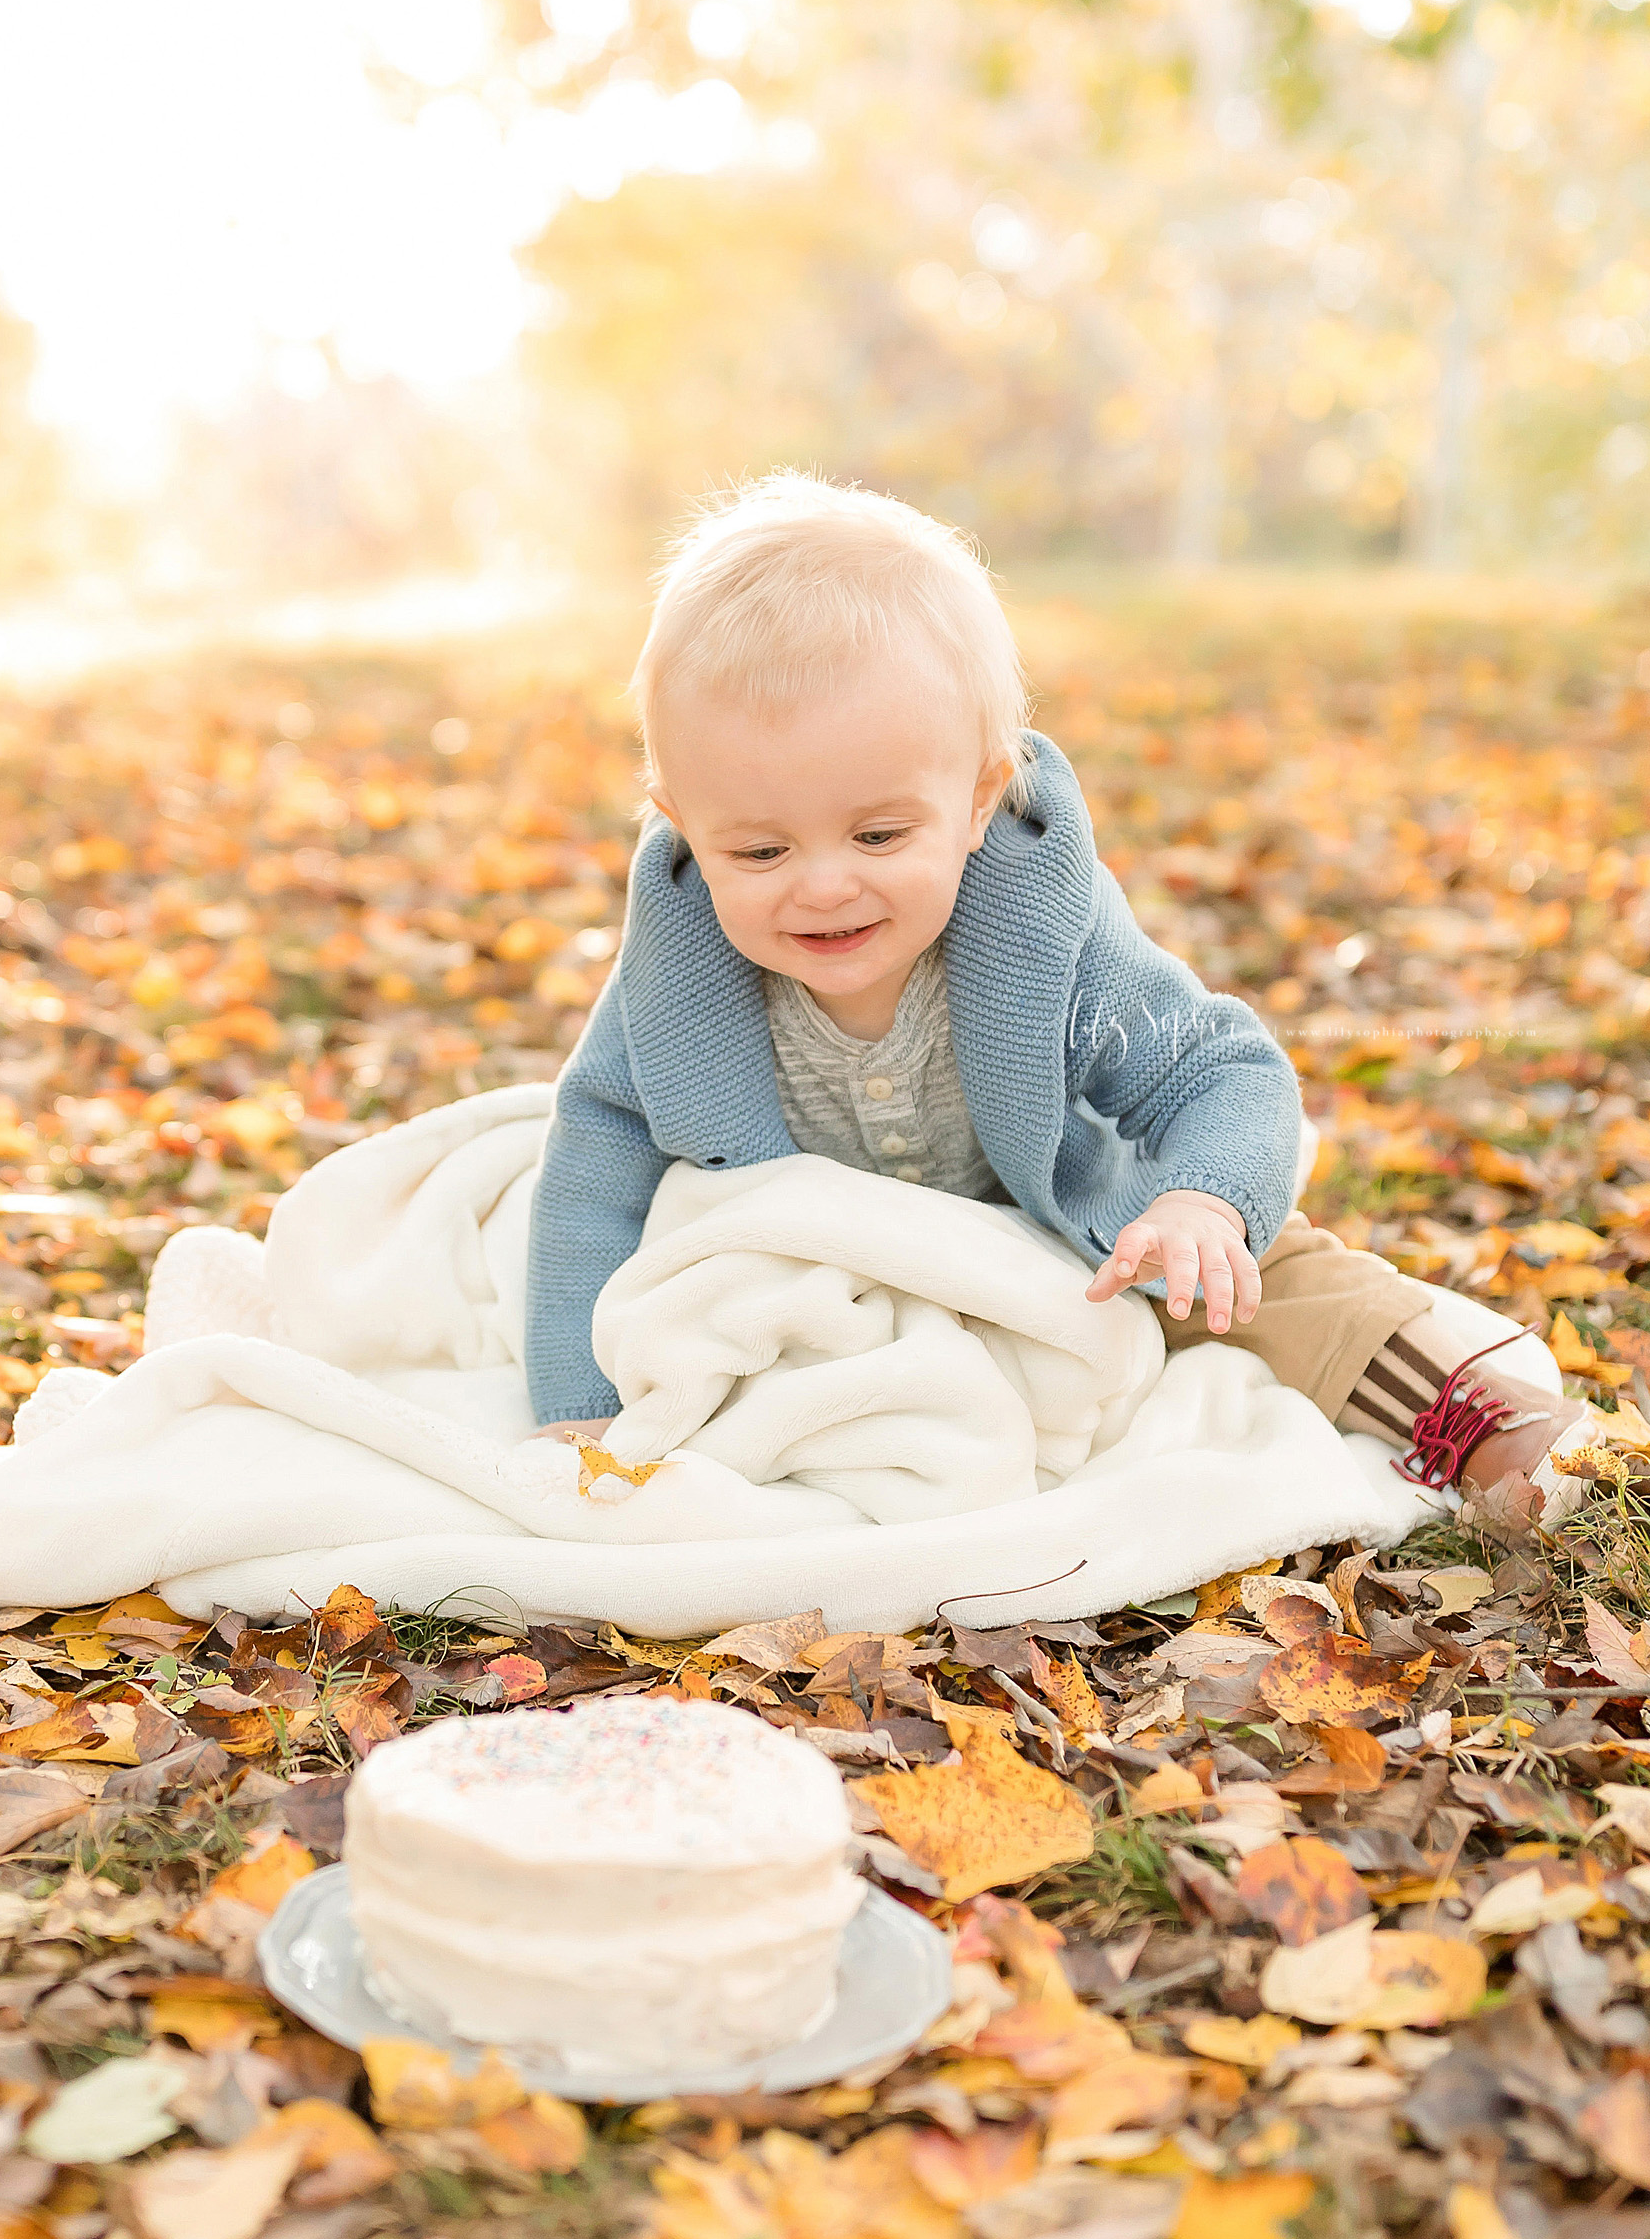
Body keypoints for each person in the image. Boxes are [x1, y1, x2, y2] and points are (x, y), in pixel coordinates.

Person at [523, 471, 1584, 1522]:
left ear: (980, 797)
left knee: (1257, 1275)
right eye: (756, 849)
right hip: (828, 1275)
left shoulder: (1041, 936)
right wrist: (576, 1406)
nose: (824, 884)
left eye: (880, 835)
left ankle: (1473, 1421)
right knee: (709, 1344)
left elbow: (1218, 1071)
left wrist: (1200, 1201)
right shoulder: (679, 972)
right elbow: (594, 1155)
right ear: (681, 825)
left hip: (1059, 1232)